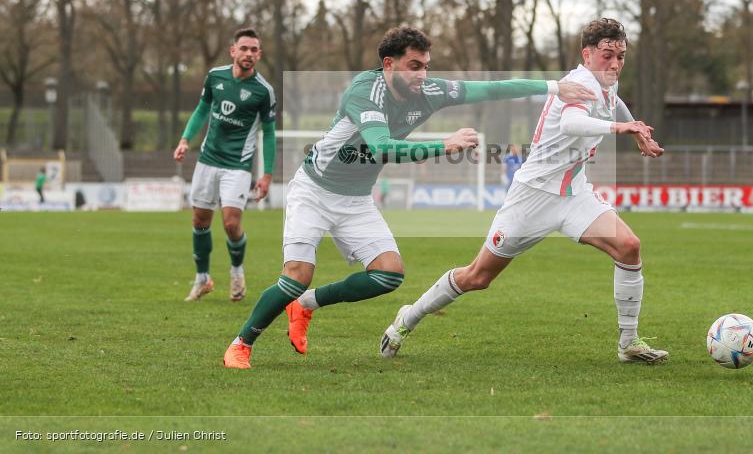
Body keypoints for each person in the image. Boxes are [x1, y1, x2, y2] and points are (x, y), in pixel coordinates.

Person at [223, 26, 597, 368]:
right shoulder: (364, 92)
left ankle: (305, 306)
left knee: (388, 275)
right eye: (413, 66)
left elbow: (490, 88)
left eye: (425, 66)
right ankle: (241, 344)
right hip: (314, 191)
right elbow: (382, 147)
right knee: (297, 275)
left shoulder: (429, 90)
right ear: (389, 64)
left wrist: (552, 87)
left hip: (355, 198)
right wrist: (445, 144)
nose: (421, 74)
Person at [379, 18, 670, 364]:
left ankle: (628, 343)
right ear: (587, 54)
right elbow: (571, 123)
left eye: (621, 56)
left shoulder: (605, 83)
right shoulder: (578, 83)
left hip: (574, 193)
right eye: (608, 55)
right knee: (477, 277)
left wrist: (636, 128)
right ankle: (407, 319)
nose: (616, 64)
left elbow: (614, 101)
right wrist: (621, 127)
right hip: (532, 197)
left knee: (629, 246)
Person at [173, 27, 276, 303]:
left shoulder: (263, 91)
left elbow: (269, 133)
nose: (249, 54)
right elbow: (201, 110)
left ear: (259, 55)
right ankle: (202, 279)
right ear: (233, 51)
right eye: (244, 48)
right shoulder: (215, 77)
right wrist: (185, 139)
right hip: (208, 160)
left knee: (231, 223)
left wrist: (266, 175)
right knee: (200, 221)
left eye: (254, 50)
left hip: (238, 165)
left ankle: (236, 271)